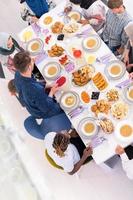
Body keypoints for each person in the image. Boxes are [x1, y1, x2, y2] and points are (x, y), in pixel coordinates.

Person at [14, 51, 63, 119]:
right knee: (62, 106)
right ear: (29, 68)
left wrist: (44, 86)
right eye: (32, 61)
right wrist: (52, 92)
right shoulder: (34, 90)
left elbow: (34, 83)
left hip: (31, 101)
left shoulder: (18, 73)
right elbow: (47, 107)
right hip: (43, 111)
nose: (34, 60)